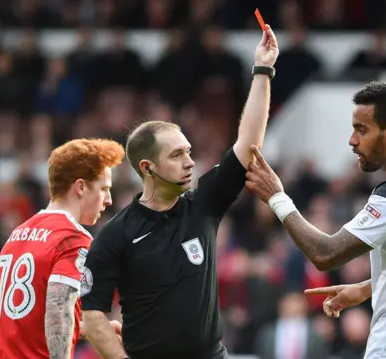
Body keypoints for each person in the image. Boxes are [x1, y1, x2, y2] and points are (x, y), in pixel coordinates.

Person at [80, 25, 279, 359]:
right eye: (176, 155)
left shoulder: (203, 204)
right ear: (147, 167)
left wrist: (262, 70)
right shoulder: (116, 235)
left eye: (188, 151)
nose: (190, 161)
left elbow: (248, 145)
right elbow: (92, 314)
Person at [245, 81, 386, 359]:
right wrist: (369, 287)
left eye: (361, 129)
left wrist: (277, 197)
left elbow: (326, 253)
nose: (352, 140)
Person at [0, 139, 125, 359]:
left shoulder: (17, 233)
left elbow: (30, 318)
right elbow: (58, 309)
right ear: (80, 187)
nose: (109, 200)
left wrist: (86, 328)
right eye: (104, 189)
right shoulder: (73, 239)